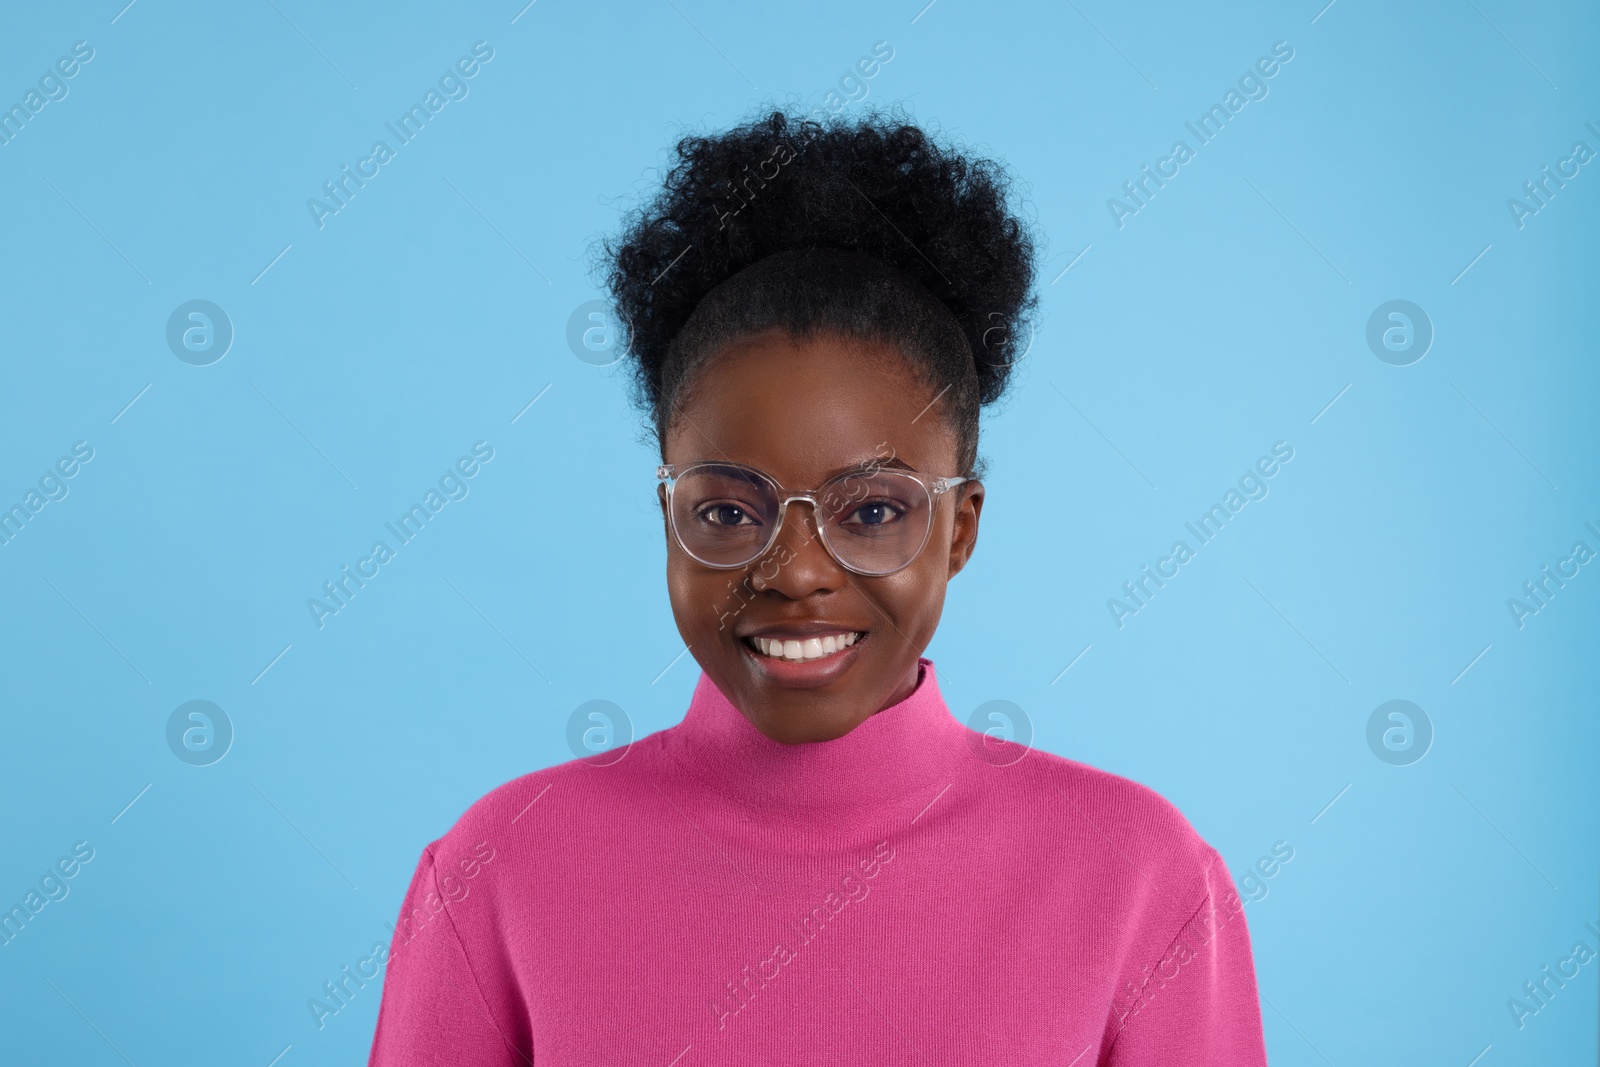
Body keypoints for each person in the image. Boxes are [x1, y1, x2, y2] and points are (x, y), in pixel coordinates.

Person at [367, 105, 1268, 1065]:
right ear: (667, 519)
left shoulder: (1140, 879)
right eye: (728, 512)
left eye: (873, 511)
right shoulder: (496, 871)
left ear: (959, 528)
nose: (795, 570)